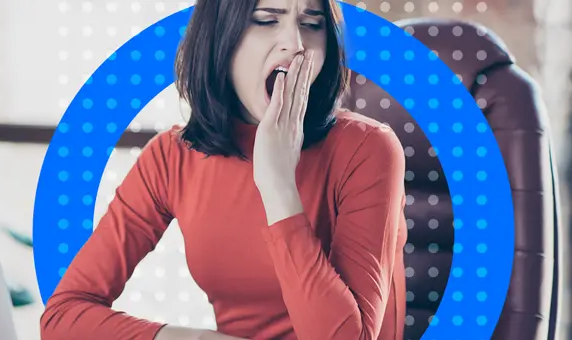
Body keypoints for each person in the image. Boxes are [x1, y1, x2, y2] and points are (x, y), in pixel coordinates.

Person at [40, 0, 408, 339]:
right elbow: (62, 317)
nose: (295, 43)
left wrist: (278, 185)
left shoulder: (368, 149)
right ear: (221, 38)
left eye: (312, 24)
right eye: (266, 20)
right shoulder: (172, 157)